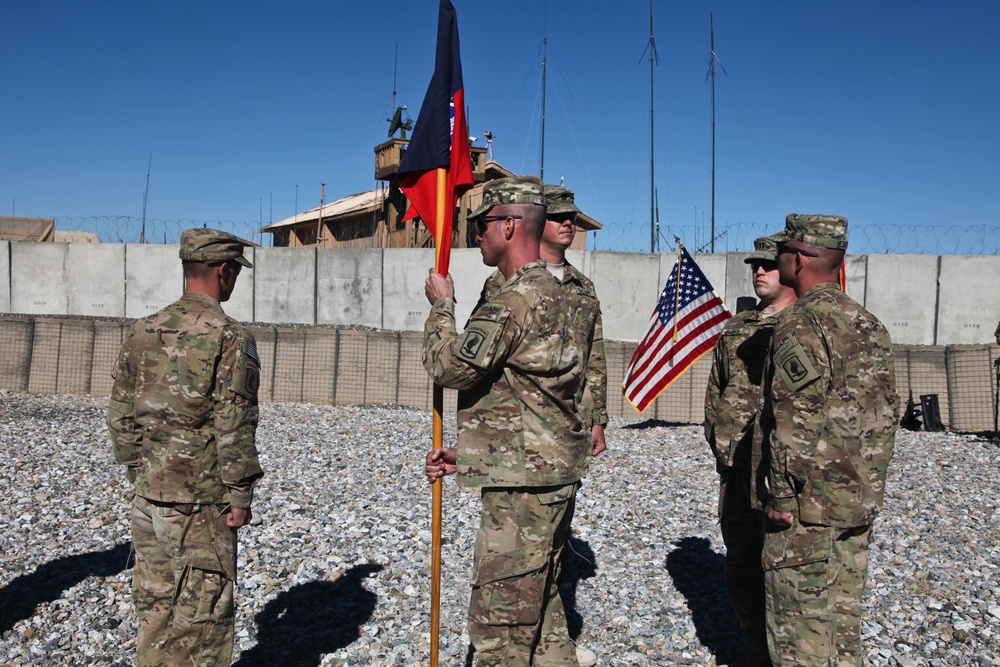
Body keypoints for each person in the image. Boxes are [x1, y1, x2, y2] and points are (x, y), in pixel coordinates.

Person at [423, 176, 597, 667]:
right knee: (539, 610)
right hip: (547, 470)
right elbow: (535, 393)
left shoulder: (515, 300)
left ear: (509, 226)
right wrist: (473, 453)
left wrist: (442, 306)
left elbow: (450, 366)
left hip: (525, 487)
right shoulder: (562, 295)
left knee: (499, 625)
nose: (476, 235)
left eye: (482, 224)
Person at [108, 228, 264, 666]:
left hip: (148, 497)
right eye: (234, 272)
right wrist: (240, 494)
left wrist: (139, 472)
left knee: (155, 610)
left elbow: (121, 414)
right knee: (203, 620)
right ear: (224, 271)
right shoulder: (229, 336)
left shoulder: (142, 330)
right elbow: (234, 421)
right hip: (201, 501)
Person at [754, 214, 898, 666]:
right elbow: (883, 414)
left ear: (797, 259)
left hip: (809, 505)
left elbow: (795, 417)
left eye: (781, 254)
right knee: (842, 622)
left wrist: (780, 492)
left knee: (800, 628)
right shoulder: (868, 323)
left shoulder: (801, 321)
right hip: (856, 497)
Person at [704, 232, 796, 667]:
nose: (759, 271)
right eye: (754, 265)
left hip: (785, 471)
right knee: (741, 561)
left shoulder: (803, 325)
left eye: (769, 264)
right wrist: (720, 441)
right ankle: (757, 649)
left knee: (783, 570)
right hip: (738, 467)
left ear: (792, 267)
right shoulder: (738, 326)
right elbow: (716, 389)